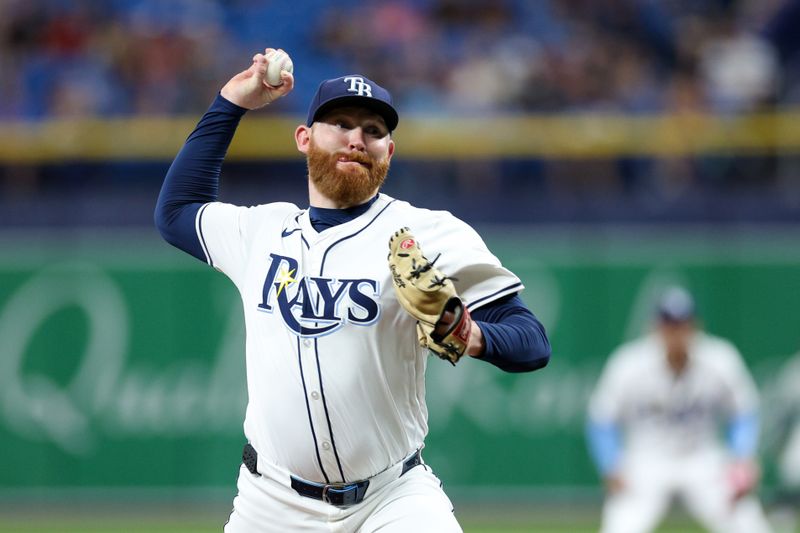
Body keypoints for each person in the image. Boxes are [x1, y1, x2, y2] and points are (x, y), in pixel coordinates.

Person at [154, 47, 551, 532]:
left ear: (389, 151)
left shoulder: (426, 232)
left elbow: (531, 341)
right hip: (271, 502)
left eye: (374, 130)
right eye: (340, 123)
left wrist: (471, 334)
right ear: (304, 138)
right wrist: (231, 101)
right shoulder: (260, 232)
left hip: (391, 497)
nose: (356, 138)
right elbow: (175, 213)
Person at [586, 286, 772, 533]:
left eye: (682, 324)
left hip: (702, 458)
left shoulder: (720, 358)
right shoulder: (629, 363)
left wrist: (741, 457)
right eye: (669, 324)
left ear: (695, 326)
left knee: (749, 526)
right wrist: (610, 463)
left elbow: (744, 411)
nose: (676, 332)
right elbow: (601, 419)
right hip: (646, 460)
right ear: (656, 327)